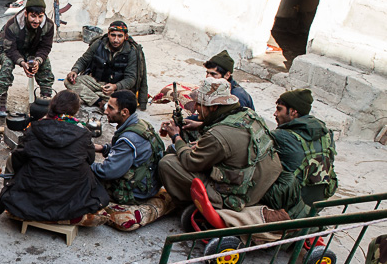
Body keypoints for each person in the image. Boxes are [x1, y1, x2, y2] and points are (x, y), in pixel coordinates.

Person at [158, 78, 282, 212]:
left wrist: (176, 137)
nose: (195, 108)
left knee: (167, 163)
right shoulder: (247, 113)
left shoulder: (217, 135)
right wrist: (200, 125)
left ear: (213, 107)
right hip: (261, 180)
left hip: (243, 194)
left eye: (199, 104)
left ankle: (193, 206)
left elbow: (190, 162)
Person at [0, 91, 109, 221]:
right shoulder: (83, 133)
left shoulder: (35, 128)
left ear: (52, 106)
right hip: (71, 199)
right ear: (75, 110)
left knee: (13, 159)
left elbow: (18, 159)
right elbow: (90, 159)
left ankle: (21, 197)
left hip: (34, 197)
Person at [92, 90, 165, 204]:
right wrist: (103, 148)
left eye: (110, 108)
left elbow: (107, 171)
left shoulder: (129, 139)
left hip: (137, 192)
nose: (106, 112)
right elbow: (124, 151)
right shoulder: (141, 124)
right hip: (149, 183)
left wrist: (86, 165)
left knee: (85, 177)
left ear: (124, 112)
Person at [0, 0, 55, 117]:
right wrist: (22, 63)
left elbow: (45, 47)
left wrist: (37, 61)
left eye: (40, 16)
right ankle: (1, 97)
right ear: (26, 13)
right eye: (33, 16)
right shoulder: (12, 24)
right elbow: (10, 50)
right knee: (7, 64)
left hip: (30, 50)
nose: (37, 20)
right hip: (6, 49)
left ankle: (46, 98)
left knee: (45, 62)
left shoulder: (48, 25)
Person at [271, 88, 338, 206]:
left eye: (279, 109)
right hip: (319, 202)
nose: (275, 114)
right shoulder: (326, 133)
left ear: (293, 112)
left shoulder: (281, 136)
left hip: (293, 205)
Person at [65, 21, 147, 109]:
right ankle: (100, 102)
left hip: (117, 89)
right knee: (68, 81)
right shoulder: (98, 43)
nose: (116, 40)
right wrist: (75, 71)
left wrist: (115, 86)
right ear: (108, 34)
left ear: (125, 37)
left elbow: (131, 79)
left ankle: (92, 96)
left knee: (126, 101)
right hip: (96, 83)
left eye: (120, 36)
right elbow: (84, 60)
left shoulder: (132, 51)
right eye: (113, 35)